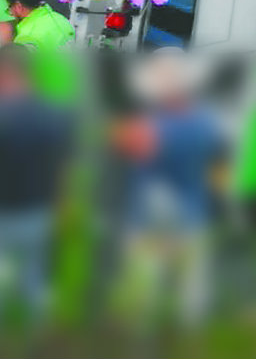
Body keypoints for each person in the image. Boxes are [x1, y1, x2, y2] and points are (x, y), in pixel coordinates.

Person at [110, 47, 224, 332]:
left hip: (166, 217)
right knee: (174, 291)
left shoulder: (155, 124)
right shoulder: (204, 120)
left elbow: (139, 150)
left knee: (169, 290)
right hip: (179, 215)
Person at [0, 46, 73, 327]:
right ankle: (40, 325)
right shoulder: (54, 113)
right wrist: (61, 205)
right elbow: (63, 165)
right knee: (35, 272)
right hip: (37, 207)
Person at [3, 0, 78, 103]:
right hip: (70, 98)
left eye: (10, 8)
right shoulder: (62, 21)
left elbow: (20, 87)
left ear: (18, 6)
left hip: (47, 105)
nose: (10, 13)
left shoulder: (27, 37)